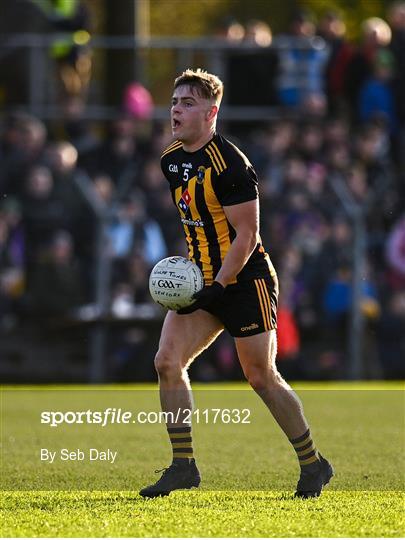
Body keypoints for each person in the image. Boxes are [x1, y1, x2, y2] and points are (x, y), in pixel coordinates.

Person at [139, 69, 333, 499]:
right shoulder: (170, 160)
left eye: (188, 103)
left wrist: (221, 284)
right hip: (203, 281)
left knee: (260, 376)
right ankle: (183, 466)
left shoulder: (233, 165)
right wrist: (191, 276)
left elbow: (247, 235)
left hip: (245, 280)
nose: (176, 109)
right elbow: (198, 222)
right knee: (167, 362)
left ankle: (313, 464)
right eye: (174, 102)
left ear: (211, 113)